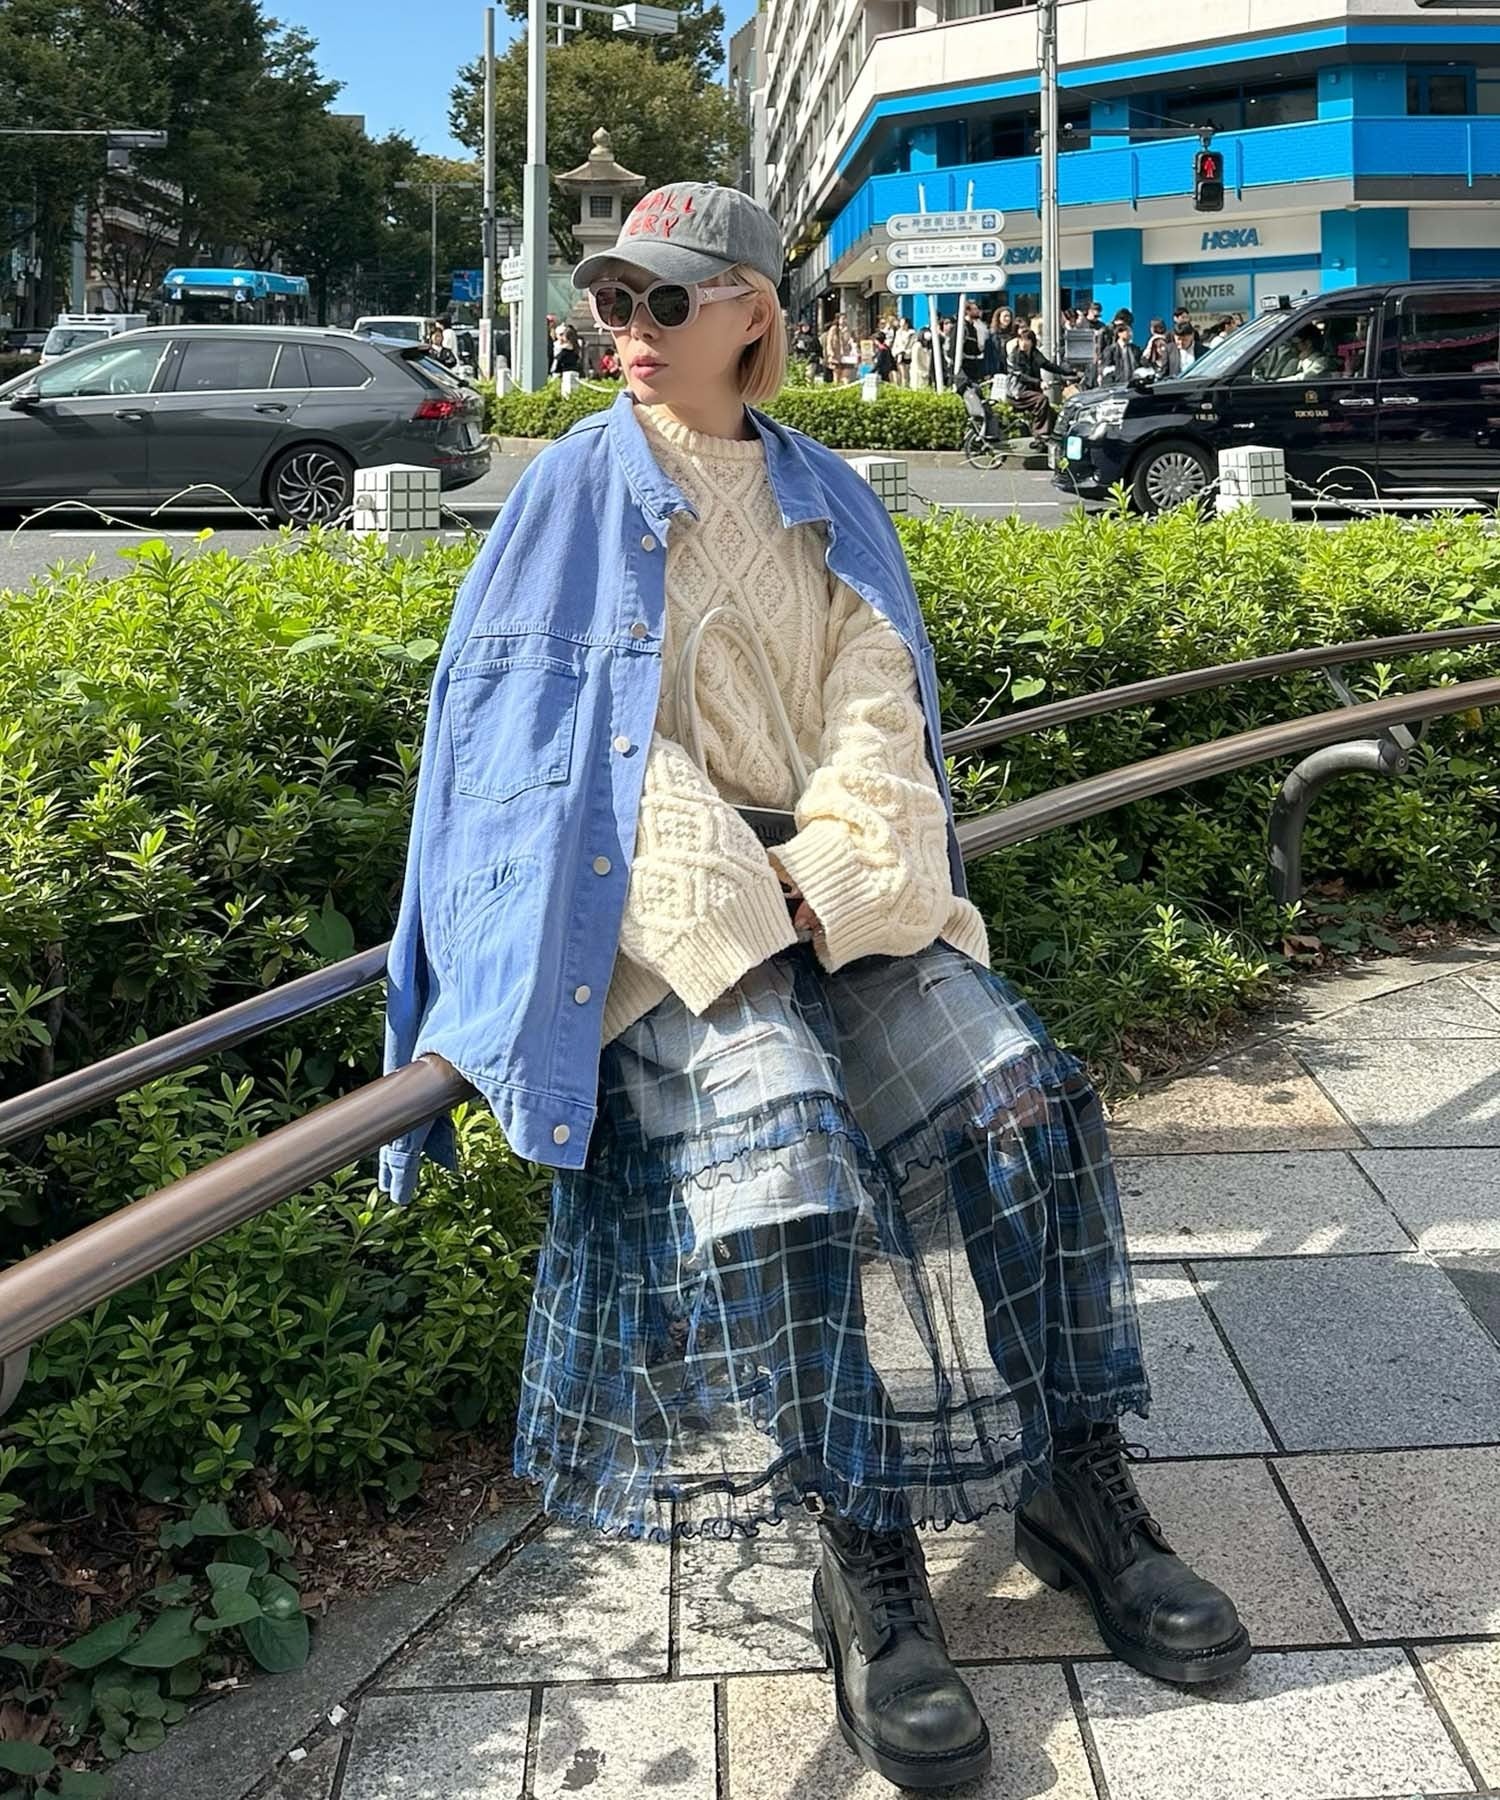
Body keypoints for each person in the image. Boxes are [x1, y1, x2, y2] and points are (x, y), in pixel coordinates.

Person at [380, 176, 1248, 1792]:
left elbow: (879, 708)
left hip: (831, 891)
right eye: (614, 299)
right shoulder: (567, 491)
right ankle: (866, 1554)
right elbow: (556, 755)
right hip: (658, 916)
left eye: (666, 299)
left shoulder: (826, 491)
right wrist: (734, 900)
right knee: (779, 1156)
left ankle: (1078, 1479)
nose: (629, 330)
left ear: (753, 313)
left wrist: (829, 876)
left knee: (1027, 1103)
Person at [1004, 326, 1076, 444]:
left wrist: (1069, 373)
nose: (1024, 343)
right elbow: (1020, 375)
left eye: (1027, 340)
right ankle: (1040, 434)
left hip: (1031, 391)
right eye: (1021, 340)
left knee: (1052, 414)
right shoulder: (1013, 356)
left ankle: (1054, 438)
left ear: (1032, 342)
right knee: (1042, 400)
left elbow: (1048, 365)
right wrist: (1039, 382)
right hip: (1018, 393)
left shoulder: (1035, 354)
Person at [1097, 319, 1139, 385]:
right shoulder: (1111, 350)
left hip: (1131, 383)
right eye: (1128, 332)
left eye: (1131, 332)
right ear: (1119, 333)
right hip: (1116, 383)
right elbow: (1106, 368)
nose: (1131, 334)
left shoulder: (1134, 349)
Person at [822, 310, 855, 384]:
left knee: (846, 376)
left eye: (845, 318)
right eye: (842, 318)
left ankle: (846, 388)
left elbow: (854, 340)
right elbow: (829, 342)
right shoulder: (833, 329)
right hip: (836, 355)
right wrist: (830, 352)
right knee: (837, 375)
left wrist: (853, 345)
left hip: (847, 355)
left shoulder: (849, 329)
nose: (844, 320)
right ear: (838, 319)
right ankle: (837, 388)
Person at [890, 315, 915, 385]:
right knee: (902, 374)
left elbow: (913, 345)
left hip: (908, 355)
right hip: (899, 355)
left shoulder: (912, 333)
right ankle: (903, 387)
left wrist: (908, 351)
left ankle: (906, 386)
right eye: (900, 323)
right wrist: (895, 352)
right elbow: (895, 344)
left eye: (903, 323)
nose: (901, 325)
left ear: (907, 324)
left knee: (907, 374)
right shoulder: (898, 333)